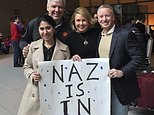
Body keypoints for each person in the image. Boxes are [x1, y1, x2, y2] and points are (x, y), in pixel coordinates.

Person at [17, 15, 70, 115]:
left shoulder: (64, 49)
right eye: (42, 29)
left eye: (48, 28)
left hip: (56, 93)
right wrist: (32, 75)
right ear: (38, 30)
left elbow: (67, 73)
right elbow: (27, 66)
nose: (45, 32)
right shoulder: (33, 46)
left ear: (54, 29)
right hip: (35, 92)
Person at [97, 4, 144, 115]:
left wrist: (122, 72)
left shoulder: (125, 34)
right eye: (101, 16)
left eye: (107, 16)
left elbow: (138, 58)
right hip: (103, 85)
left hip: (120, 87)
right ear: (97, 18)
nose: (104, 19)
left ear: (113, 17)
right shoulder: (99, 35)